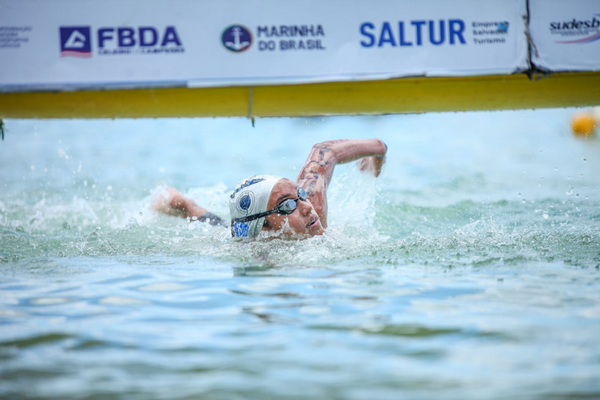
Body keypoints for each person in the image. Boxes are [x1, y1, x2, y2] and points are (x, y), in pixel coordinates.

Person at [153, 139, 387, 239]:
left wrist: (377, 155)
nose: (305, 207)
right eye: (288, 205)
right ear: (264, 228)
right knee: (217, 226)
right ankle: (181, 203)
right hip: (243, 234)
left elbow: (325, 150)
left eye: (299, 194)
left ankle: (182, 202)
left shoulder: (312, 202)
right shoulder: (252, 248)